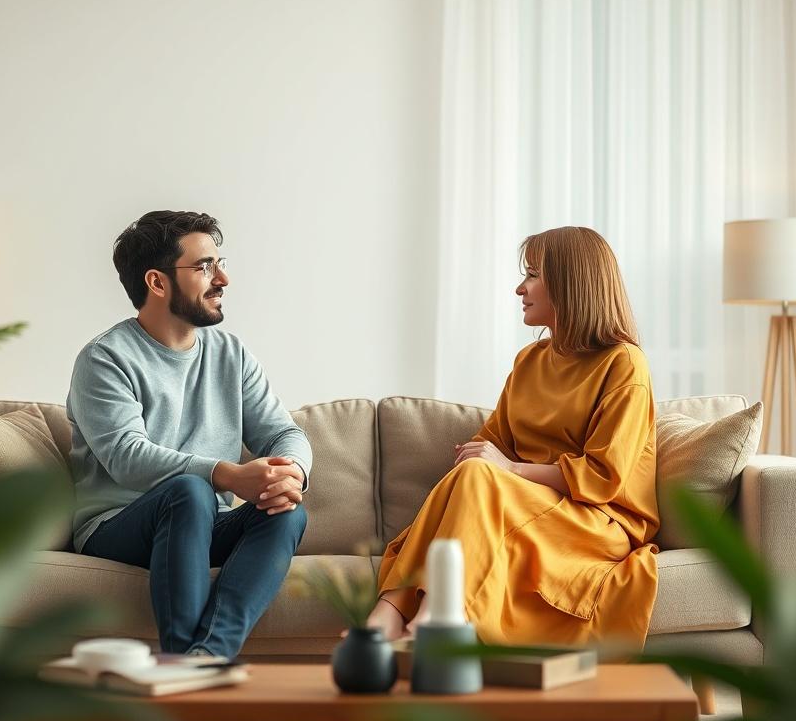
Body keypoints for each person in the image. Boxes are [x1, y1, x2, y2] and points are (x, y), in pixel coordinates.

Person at [368, 226, 659, 648]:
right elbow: (493, 443)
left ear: (571, 283)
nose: (520, 288)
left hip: (597, 521)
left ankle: (421, 613)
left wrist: (508, 469)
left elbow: (603, 477)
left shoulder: (624, 363)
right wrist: (485, 461)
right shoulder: (529, 361)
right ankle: (403, 613)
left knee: (480, 476)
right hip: (529, 506)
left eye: (533, 275)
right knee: (472, 474)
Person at [68, 210, 311, 667]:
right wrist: (226, 475)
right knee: (190, 491)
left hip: (203, 522)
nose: (223, 279)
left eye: (220, 263)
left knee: (286, 511)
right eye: (204, 267)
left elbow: (283, 432)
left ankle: (203, 660)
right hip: (118, 527)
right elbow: (126, 456)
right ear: (157, 282)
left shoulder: (231, 354)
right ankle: (184, 689)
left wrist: (290, 471)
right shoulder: (104, 359)